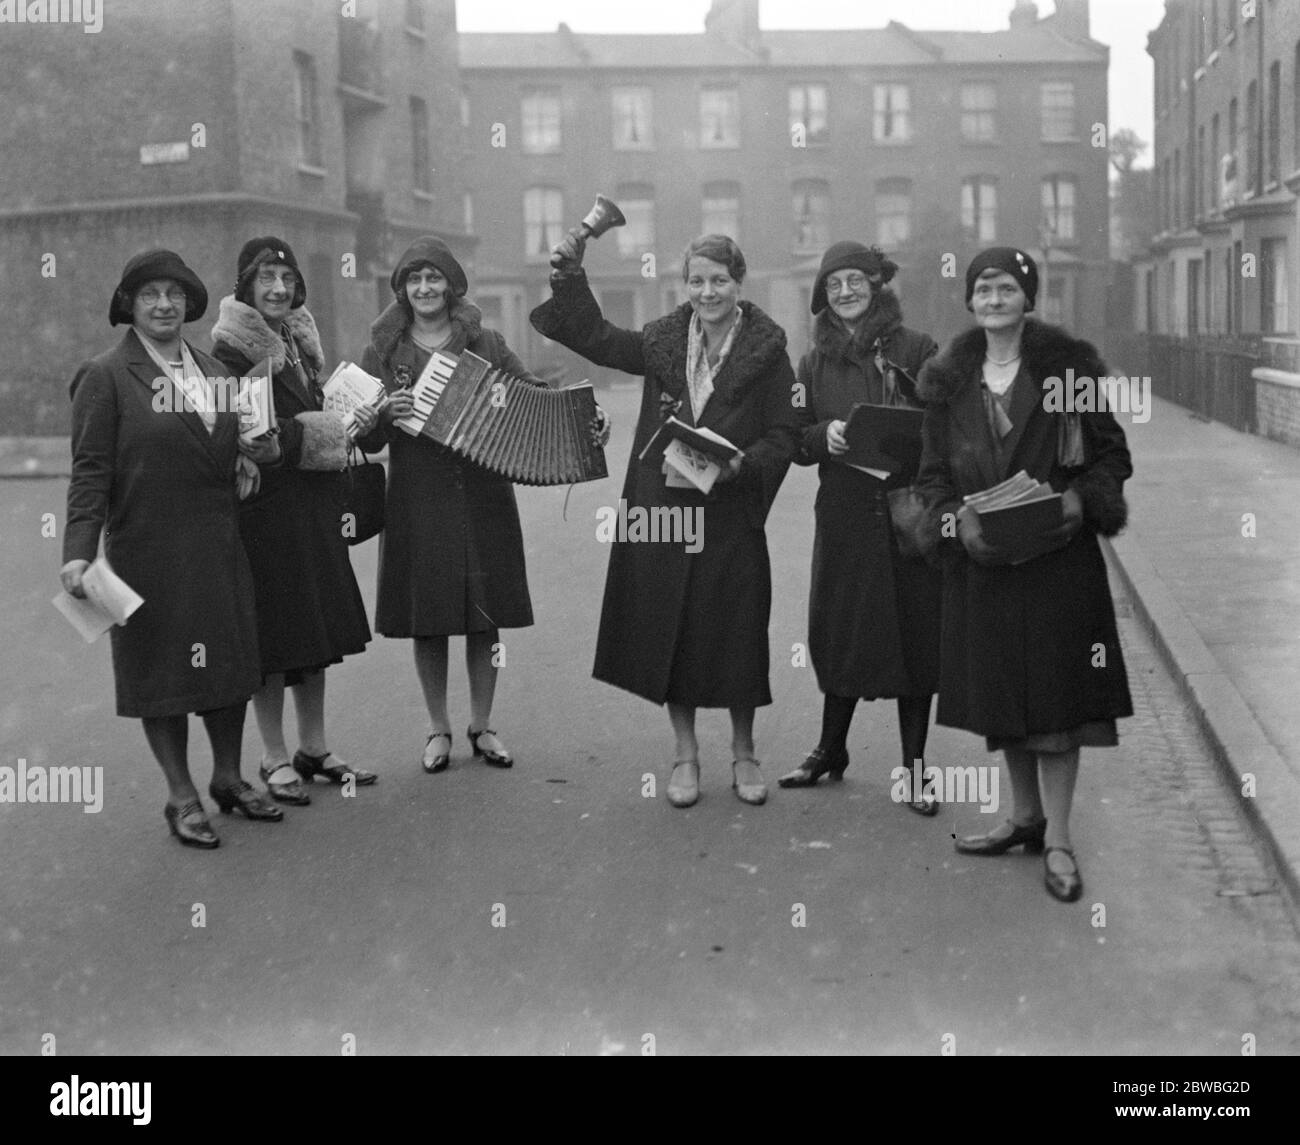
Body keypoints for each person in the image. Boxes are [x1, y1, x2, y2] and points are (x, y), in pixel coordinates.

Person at [531, 231, 803, 808]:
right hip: (667, 509)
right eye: (698, 281)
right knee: (670, 629)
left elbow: (784, 435)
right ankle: (685, 755)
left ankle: (744, 752)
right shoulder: (662, 341)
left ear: (739, 282)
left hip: (730, 510)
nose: (708, 292)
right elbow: (597, 338)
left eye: (719, 280)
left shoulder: (768, 353)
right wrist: (570, 278)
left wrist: (741, 466)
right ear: (686, 285)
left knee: (736, 629)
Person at [914, 247, 1134, 902]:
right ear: (971, 301)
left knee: (1060, 701)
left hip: (1060, 563)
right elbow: (931, 479)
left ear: (1028, 298)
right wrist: (956, 522)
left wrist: (1080, 501)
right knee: (1005, 696)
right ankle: (1024, 815)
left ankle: (1060, 838)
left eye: (1007, 286)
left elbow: (1112, 454)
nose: (994, 295)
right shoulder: (948, 382)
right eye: (983, 286)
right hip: (987, 565)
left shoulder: (1068, 370)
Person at [61, 249, 282, 849]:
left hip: (217, 546)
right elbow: (89, 473)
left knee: (230, 667)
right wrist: (77, 552)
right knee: (161, 676)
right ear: (129, 305)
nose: (164, 305)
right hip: (147, 553)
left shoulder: (216, 373)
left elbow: (224, 444)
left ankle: (230, 778)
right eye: (150, 294)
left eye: (175, 294)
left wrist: (246, 456)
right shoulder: (104, 376)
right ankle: (181, 795)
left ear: (189, 304)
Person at [357, 237, 602, 773]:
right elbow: (363, 438)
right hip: (417, 496)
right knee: (429, 617)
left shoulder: (485, 342)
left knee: (483, 615)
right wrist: (383, 416)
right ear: (402, 288)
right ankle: (438, 728)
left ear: (451, 285)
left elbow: (532, 391)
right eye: (414, 279)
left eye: (434, 278)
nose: (425, 288)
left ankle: (482, 725)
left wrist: (584, 420)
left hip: (483, 492)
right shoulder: (383, 351)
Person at [777, 242, 943, 813]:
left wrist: (900, 432)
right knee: (840, 629)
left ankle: (916, 768)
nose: (844, 291)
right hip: (845, 512)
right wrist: (826, 437)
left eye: (854, 281)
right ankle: (831, 749)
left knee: (915, 634)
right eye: (833, 284)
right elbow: (793, 435)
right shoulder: (811, 362)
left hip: (906, 511)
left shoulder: (916, 348)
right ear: (823, 296)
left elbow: (944, 424)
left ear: (876, 284)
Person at [210, 237, 376, 804]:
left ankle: (314, 747)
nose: (278, 289)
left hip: (311, 506)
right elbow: (261, 440)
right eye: (266, 279)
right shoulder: (233, 352)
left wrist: (350, 413)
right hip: (266, 513)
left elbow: (296, 420)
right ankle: (273, 756)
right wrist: (333, 429)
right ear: (246, 288)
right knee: (275, 638)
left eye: (286, 279)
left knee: (315, 629)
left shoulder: (297, 341)